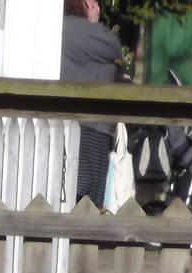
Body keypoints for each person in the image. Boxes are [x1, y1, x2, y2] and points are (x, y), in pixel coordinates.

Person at [59, 0, 123, 205]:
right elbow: (113, 47)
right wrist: (94, 23)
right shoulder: (80, 30)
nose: (97, 6)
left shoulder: (70, 28)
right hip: (88, 127)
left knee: (83, 191)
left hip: (88, 124)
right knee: (85, 192)